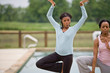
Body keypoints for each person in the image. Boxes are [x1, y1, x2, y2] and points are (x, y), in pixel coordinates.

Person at [36, 0, 88, 73]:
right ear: (62, 21)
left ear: (70, 20)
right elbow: (49, 16)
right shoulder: (57, 27)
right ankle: (60, 67)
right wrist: (52, 6)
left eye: (68, 20)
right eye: (65, 20)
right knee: (39, 63)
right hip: (57, 54)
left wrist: (82, 6)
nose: (67, 22)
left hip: (68, 56)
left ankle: (64, 67)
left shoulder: (73, 29)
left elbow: (84, 17)